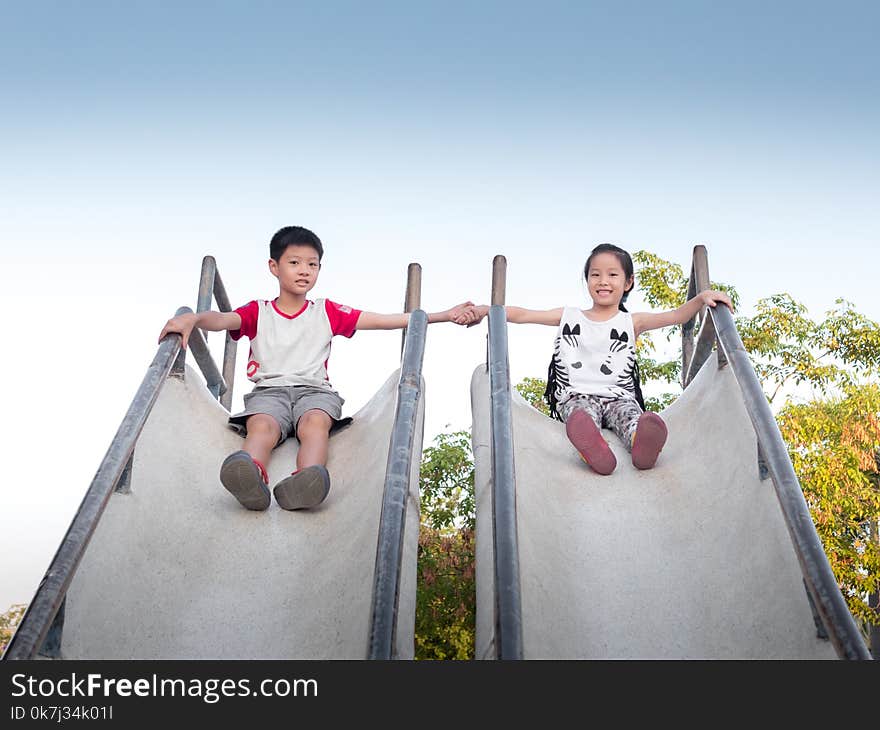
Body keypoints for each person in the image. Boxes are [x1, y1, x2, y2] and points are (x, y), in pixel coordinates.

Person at [159, 225, 472, 511]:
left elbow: (382, 319)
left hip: (315, 392)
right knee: (262, 426)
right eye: (294, 263)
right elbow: (223, 320)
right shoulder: (259, 311)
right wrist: (194, 319)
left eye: (312, 264)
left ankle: (306, 480)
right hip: (270, 392)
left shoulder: (326, 311)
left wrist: (443, 314)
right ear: (274, 267)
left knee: (315, 424)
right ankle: (250, 477)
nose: (304, 271)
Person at [456, 243, 733, 475]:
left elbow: (675, 316)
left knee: (630, 418)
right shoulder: (569, 316)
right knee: (580, 417)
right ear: (587, 280)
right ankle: (593, 447)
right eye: (595, 275)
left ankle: (641, 444)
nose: (603, 281)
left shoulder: (631, 321)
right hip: (576, 394)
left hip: (619, 397)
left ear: (628, 282)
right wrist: (486, 310)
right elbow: (525, 314)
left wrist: (702, 298)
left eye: (612, 275)